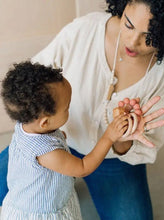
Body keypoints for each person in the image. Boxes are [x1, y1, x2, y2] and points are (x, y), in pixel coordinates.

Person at [0, 0, 164, 219]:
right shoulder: (84, 30)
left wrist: (122, 138)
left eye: (150, 36)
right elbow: (30, 88)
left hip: (113, 161)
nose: (132, 41)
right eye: (128, 25)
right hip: (59, 147)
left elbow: (136, 149)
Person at [0, 61, 130, 219]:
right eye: (67, 108)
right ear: (45, 122)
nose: (70, 108)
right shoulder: (48, 154)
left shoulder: (26, 124)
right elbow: (83, 167)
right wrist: (109, 136)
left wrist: (59, 137)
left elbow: (45, 137)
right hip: (44, 213)